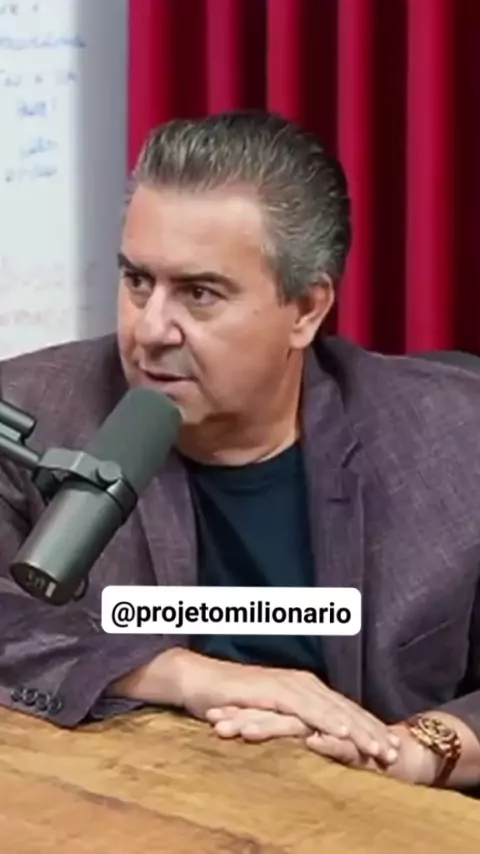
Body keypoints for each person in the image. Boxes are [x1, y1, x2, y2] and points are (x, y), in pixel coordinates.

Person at [0, 111, 479, 794]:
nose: (151, 329)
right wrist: (184, 676)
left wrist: (413, 750)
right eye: (137, 281)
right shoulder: (34, 415)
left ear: (306, 310)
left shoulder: (452, 439)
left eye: (199, 293)